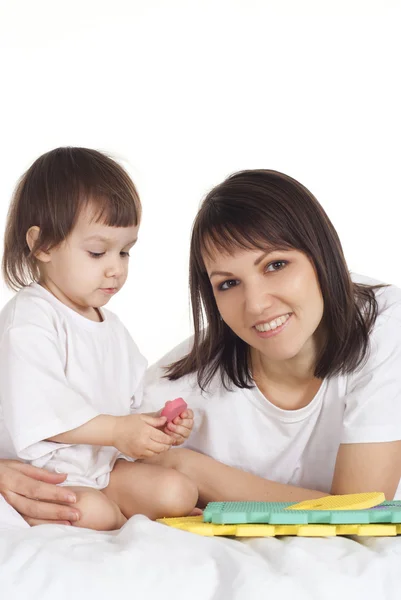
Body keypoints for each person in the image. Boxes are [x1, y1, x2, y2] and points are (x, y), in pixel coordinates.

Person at [141, 169, 401, 505]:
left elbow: (361, 508)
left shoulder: (383, 322)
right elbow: (80, 452)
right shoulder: (180, 387)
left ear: (323, 256)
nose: (256, 305)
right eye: (228, 283)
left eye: (275, 265)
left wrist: (190, 469)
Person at [0, 147, 197, 530]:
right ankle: (114, 515)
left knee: (178, 492)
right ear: (43, 245)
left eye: (125, 252)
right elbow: (38, 409)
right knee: (97, 514)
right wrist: (119, 431)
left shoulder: (112, 326)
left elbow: (134, 398)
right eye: (97, 252)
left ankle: (122, 511)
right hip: (47, 473)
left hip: (102, 467)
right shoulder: (30, 318)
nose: (115, 270)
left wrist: (161, 424)